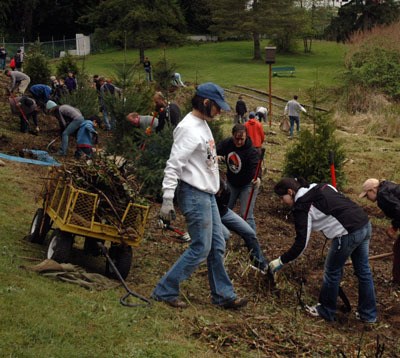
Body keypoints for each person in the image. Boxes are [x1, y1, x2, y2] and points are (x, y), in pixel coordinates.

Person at [152, 82, 247, 310]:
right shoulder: (188, 128)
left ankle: (223, 295)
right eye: (217, 107)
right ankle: (165, 290)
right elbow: (174, 165)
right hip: (194, 194)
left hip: (207, 195)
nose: (220, 111)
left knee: (217, 243)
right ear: (206, 102)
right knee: (201, 247)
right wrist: (167, 198)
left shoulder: (203, 124)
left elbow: (203, 158)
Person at [270, 177, 377, 323]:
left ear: (290, 191)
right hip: (364, 224)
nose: (282, 201)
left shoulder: (302, 206)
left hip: (347, 233)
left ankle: (326, 310)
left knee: (332, 271)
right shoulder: (321, 186)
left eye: (283, 197)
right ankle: (368, 315)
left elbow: (301, 244)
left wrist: (281, 261)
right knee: (363, 271)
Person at [217, 173, 268, 271]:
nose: (219, 194)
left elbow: (225, 208)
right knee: (225, 235)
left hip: (223, 212)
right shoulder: (205, 192)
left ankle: (260, 263)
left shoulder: (226, 191)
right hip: (209, 214)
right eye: (218, 193)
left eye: (220, 192)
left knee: (250, 233)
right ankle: (218, 266)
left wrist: (258, 177)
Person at [217, 124, 261, 232]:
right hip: (232, 183)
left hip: (248, 184)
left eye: (242, 139)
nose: (239, 142)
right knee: (223, 209)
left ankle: (252, 241)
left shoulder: (251, 150)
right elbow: (216, 149)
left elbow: (256, 167)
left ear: (246, 137)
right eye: (237, 139)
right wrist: (216, 155)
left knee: (246, 214)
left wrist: (258, 178)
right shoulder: (227, 143)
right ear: (232, 136)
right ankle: (221, 234)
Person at [359, 178, 400, 284]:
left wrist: (394, 228)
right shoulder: (388, 186)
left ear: (372, 190)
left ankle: (397, 281)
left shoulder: (382, 196)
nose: (367, 198)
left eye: (367, 195)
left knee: (398, 249)